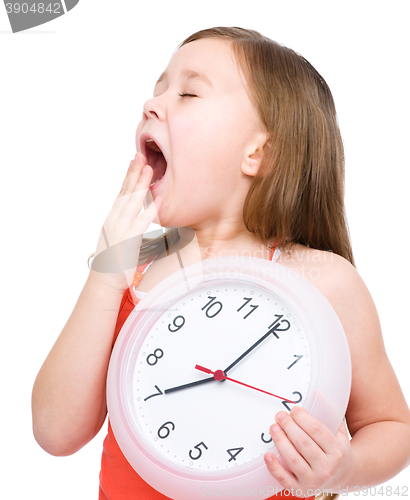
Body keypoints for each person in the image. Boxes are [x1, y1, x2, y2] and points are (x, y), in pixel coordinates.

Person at [31, 27, 410, 500]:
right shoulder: (134, 273)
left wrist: (346, 467)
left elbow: (389, 424)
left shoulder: (324, 281)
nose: (153, 105)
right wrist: (107, 269)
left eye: (188, 93)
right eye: (157, 89)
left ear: (257, 153)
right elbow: (54, 431)